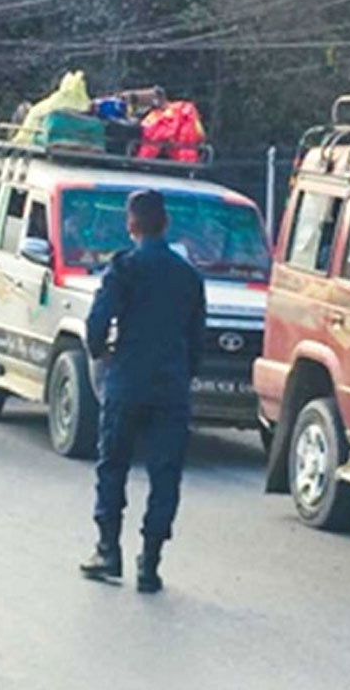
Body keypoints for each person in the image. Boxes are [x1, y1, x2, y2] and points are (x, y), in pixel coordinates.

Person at [79, 190, 206, 593]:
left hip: (128, 381)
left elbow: (96, 324)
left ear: (131, 224)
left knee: (113, 465)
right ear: (165, 225)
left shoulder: (124, 268)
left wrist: (101, 354)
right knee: (165, 475)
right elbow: (197, 338)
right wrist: (184, 375)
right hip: (170, 387)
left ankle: (108, 550)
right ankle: (150, 563)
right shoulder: (188, 275)